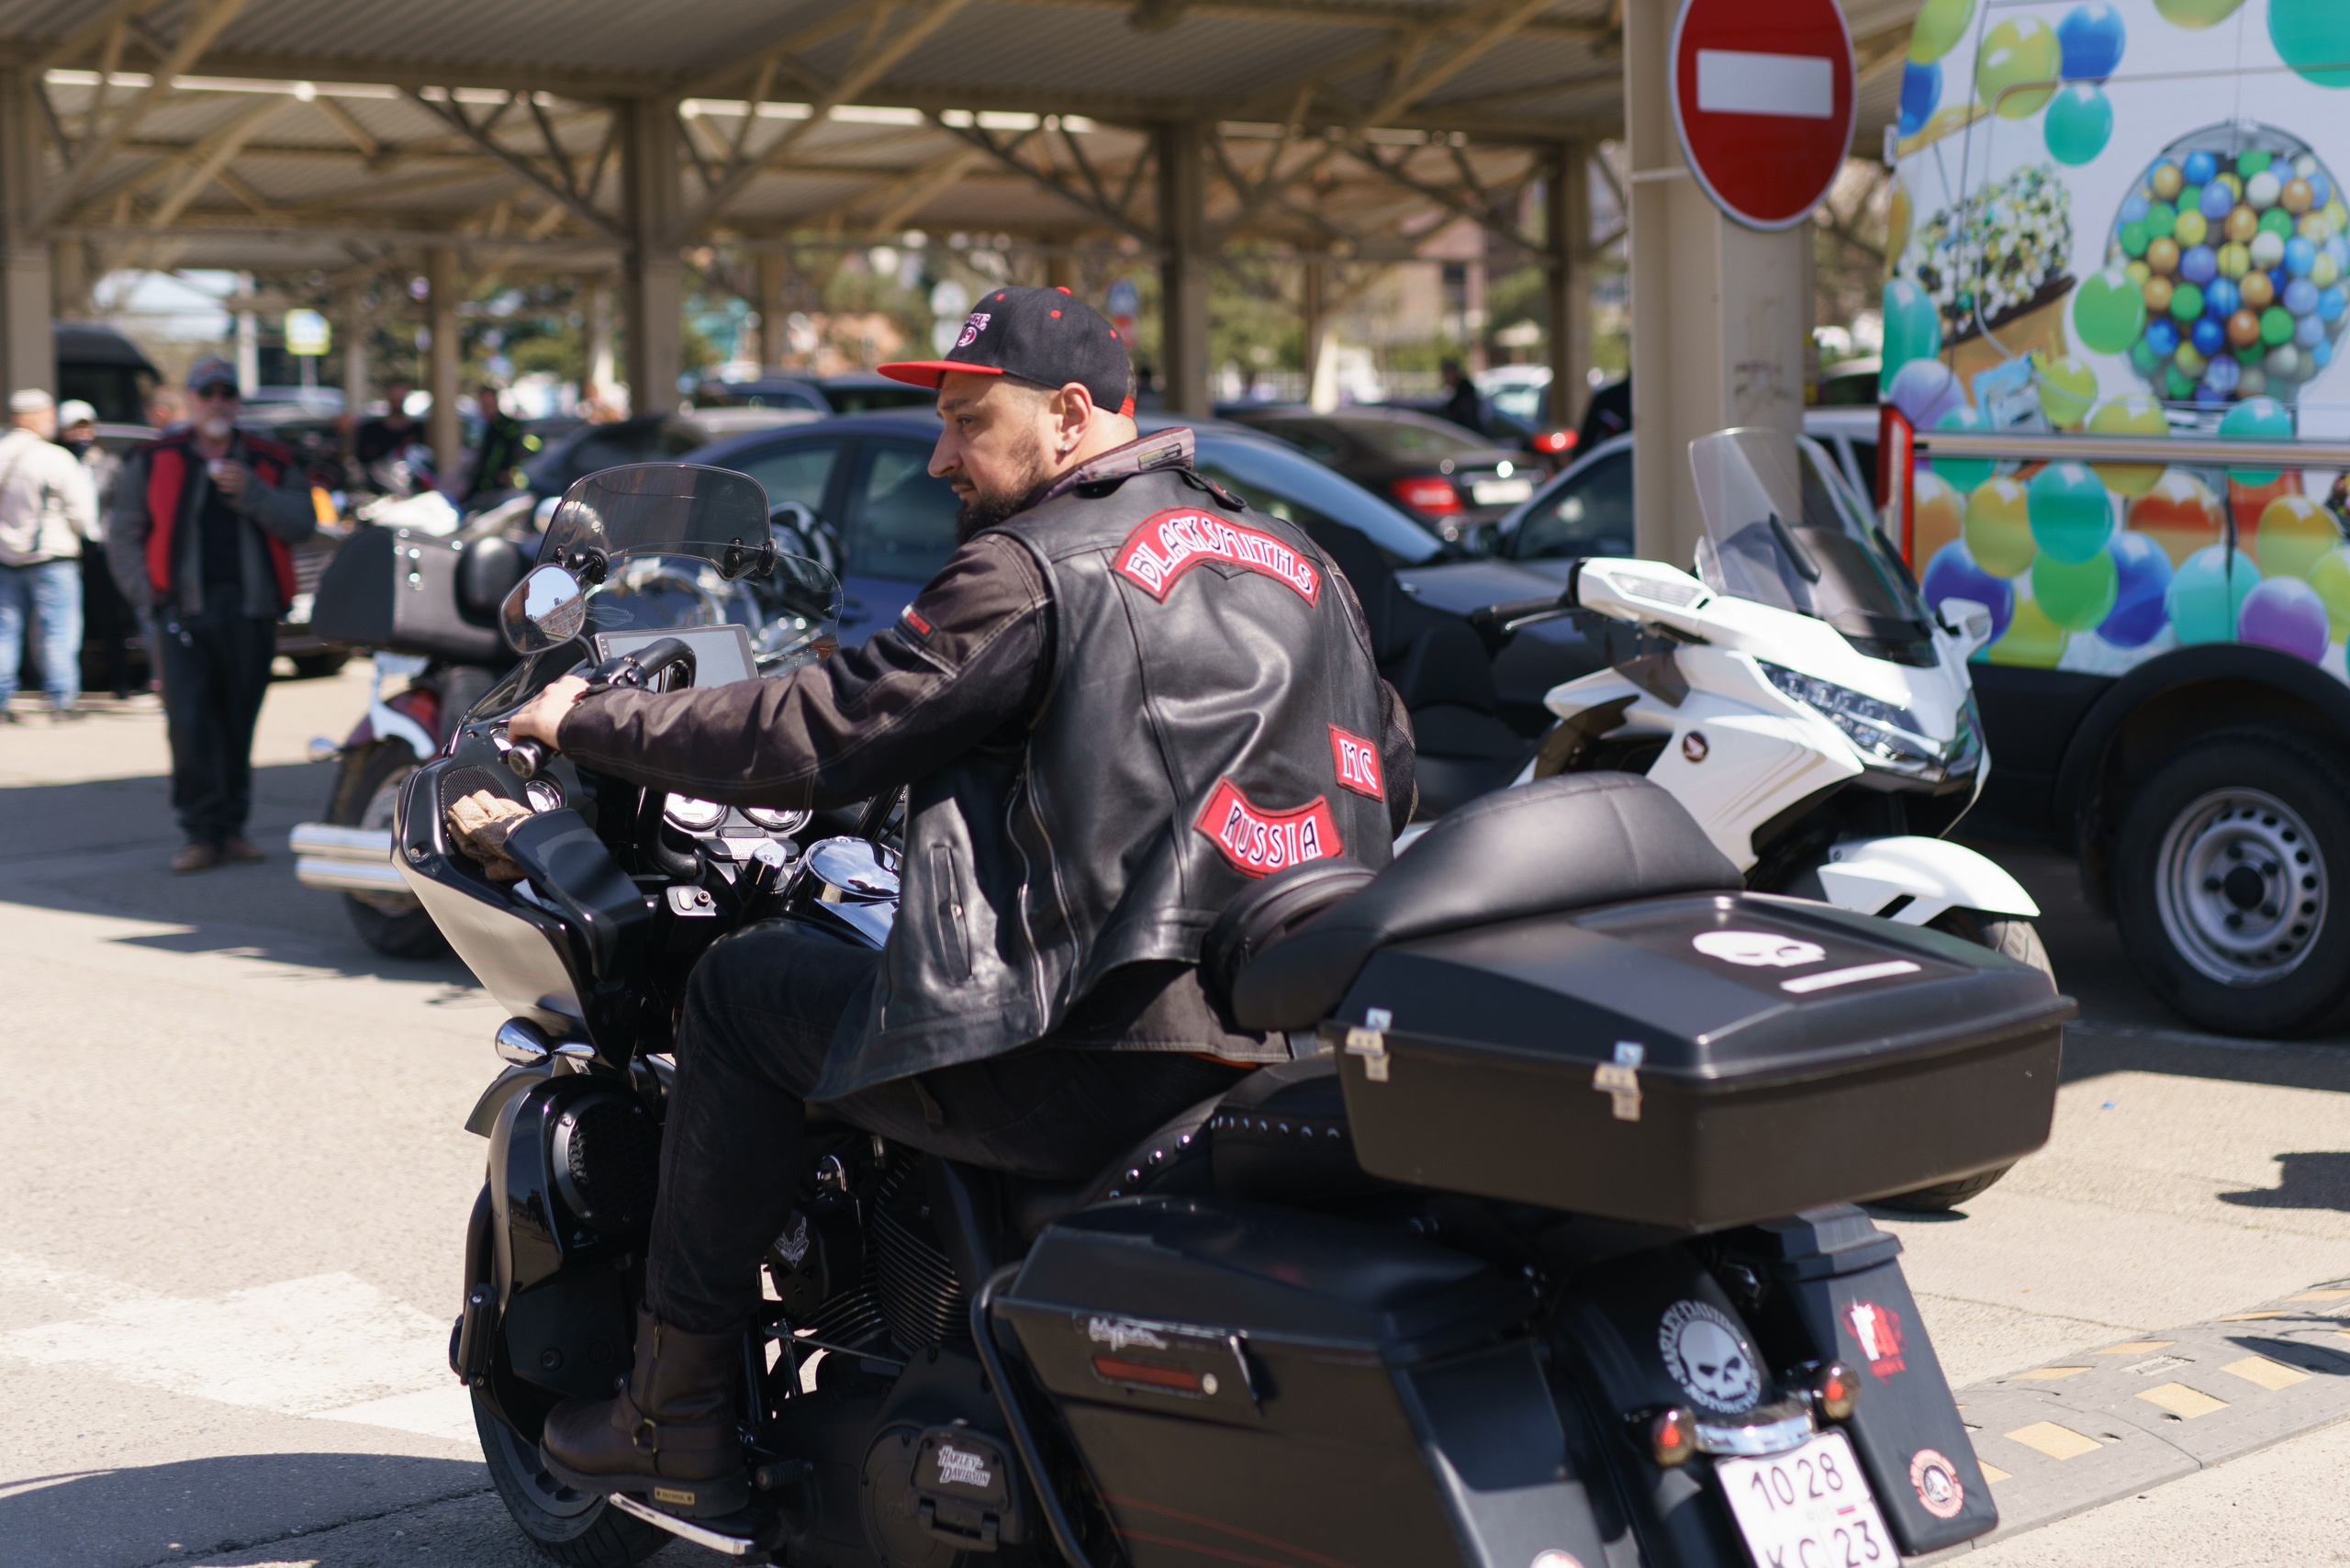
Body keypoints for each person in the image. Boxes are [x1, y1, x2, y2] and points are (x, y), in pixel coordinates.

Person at [510, 286, 1416, 1506]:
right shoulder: (1300, 562)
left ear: (1070, 414)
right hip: (1294, 1047)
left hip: (1100, 1059)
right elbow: (1388, 771)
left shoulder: (1037, 563)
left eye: (967, 419)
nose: (941, 456)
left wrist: (595, 716)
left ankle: (675, 1419)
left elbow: (829, 726)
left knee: (739, 991)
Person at [107, 357, 318, 872]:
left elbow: (301, 523)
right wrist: (148, 596)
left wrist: (252, 491)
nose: (218, 402)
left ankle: (233, 828)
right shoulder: (155, 458)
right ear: (191, 401)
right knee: (189, 723)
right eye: (208, 394)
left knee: (236, 723)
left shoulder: (269, 459)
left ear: (237, 403)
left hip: (250, 612)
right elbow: (123, 532)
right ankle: (202, 832)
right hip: (180, 613)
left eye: (227, 394)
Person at [0, 389, 100, 722]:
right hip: (52, 557)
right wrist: (88, 536)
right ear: (34, 417)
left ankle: (2, 700)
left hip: (4, 558)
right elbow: (83, 513)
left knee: (4, 632)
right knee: (58, 630)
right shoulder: (54, 458)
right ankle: (61, 700)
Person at [462, 382, 532, 502]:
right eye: (483, 404)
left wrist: (509, 469)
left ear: (496, 402)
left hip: (503, 488)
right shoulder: (484, 426)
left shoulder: (509, 426)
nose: (486, 408)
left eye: (489, 404)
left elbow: (525, 448)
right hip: (484, 488)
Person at [352, 376, 423, 473]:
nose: (397, 398)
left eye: (401, 395)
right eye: (394, 395)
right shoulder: (370, 430)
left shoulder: (419, 430)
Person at [1439, 356, 1485, 436]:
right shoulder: (1459, 389)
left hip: (1470, 436)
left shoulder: (1465, 390)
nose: (1444, 377)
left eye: (1446, 373)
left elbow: (1463, 416)